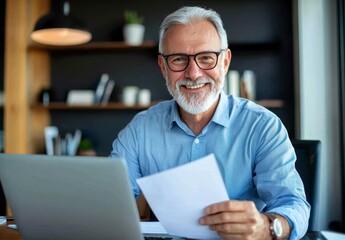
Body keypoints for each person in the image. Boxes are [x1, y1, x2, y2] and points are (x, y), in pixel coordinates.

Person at [111, 6, 310, 240]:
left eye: (206, 58)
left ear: (225, 62)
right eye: (178, 60)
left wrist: (267, 228)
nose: (193, 74)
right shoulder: (139, 130)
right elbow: (111, 203)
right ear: (163, 67)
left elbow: (293, 204)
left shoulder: (262, 126)